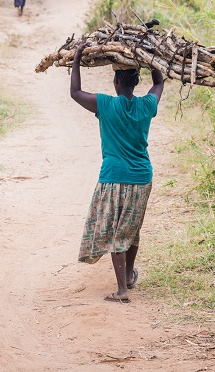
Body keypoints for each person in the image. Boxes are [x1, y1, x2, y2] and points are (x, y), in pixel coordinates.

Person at [69, 42, 164, 304]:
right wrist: (152, 58)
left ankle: (122, 290)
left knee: (116, 235)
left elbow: (75, 92)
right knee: (131, 230)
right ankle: (130, 276)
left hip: (113, 179)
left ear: (115, 82)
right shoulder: (146, 106)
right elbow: (159, 84)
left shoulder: (106, 105)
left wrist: (77, 58)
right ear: (135, 82)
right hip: (142, 178)